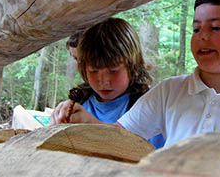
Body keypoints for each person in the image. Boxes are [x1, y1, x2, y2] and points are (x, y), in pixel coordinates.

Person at [51, 0, 220, 147]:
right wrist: (87, 121)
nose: (202, 37)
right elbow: (120, 137)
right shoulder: (170, 92)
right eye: (196, 29)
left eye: (216, 28)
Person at [52, 18, 165, 148]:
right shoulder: (81, 103)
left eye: (113, 71)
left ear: (132, 65)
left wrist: (90, 124)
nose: (103, 81)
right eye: (93, 71)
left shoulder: (148, 107)